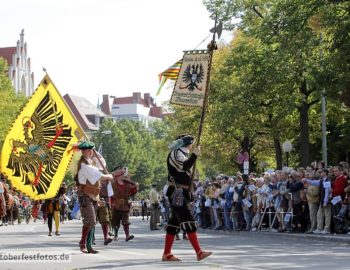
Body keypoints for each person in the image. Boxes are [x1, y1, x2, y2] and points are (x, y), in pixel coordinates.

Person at [162, 134, 212, 262]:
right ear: (188, 143)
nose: (192, 145)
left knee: (174, 224)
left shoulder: (181, 154)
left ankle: (167, 254)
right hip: (177, 192)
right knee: (188, 218)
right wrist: (195, 155)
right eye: (192, 143)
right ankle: (199, 252)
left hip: (181, 191)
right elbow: (184, 166)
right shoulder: (176, 153)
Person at [76, 141, 114, 254]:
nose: (90, 152)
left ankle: (88, 246)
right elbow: (99, 175)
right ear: (83, 151)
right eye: (88, 150)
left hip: (94, 196)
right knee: (91, 220)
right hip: (85, 195)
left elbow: (102, 164)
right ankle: (83, 242)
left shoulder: (91, 161)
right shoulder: (84, 164)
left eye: (91, 150)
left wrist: (97, 153)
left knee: (92, 221)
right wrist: (109, 176)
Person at [111, 169, 138, 241]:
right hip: (116, 205)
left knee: (126, 221)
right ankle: (115, 235)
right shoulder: (113, 184)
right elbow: (110, 195)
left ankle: (127, 235)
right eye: (122, 175)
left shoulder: (127, 184)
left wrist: (135, 187)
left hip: (125, 205)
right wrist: (113, 203)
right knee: (116, 221)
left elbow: (133, 192)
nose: (124, 176)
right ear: (118, 176)